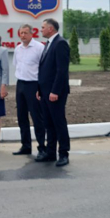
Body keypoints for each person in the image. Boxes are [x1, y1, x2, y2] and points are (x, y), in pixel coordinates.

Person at [36, 18, 71, 167]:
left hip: (55, 93)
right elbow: (44, 70)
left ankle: (63, 153)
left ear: (50, 29)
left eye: (43, 27)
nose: (41, 30)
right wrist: (39, 89)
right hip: (45, 92)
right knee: (48, 123)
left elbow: (61, 71)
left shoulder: (60, 43)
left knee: (58, 123)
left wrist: (55, 91)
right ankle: (50, 153)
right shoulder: (49, 43)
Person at [12, 24, 45, 156]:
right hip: (21, 84)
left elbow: (44, 68)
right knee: (21, 117)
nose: (23, 35)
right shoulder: (18, 49)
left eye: (25, 33)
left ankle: (42, 147)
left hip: (34, 85)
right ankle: (25, 146)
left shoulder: (39, 48)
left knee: (37, 117)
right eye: (21, 33)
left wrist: (40, 88)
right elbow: (16, 65)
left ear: (32, 34)